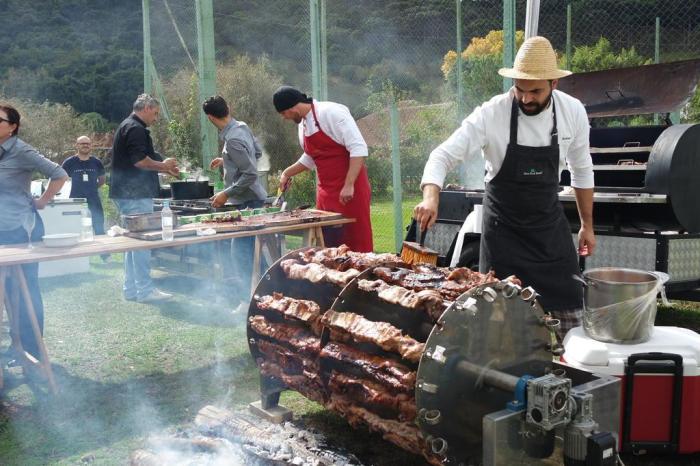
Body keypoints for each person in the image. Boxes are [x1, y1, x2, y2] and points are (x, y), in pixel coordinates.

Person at [414, 36, 595, 337]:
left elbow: (582, 169)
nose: (525, 99)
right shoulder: (492, 113)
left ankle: (573, 378)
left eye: (535, 91)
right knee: (501, 331)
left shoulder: (572, 112)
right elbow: (441, 155)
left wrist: (587, 224)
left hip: (548, 231)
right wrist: (431, 198)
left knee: (573, 320)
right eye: (519, 90)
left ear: (554, 84)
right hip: (504, 235)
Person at [0, 103, 68, 359]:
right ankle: (14, 344)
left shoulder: (21, 149)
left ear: (13, 127)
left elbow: (59, 174)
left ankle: (31, 347)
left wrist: (43, 201)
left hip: (20, 229)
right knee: (5, 292)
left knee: (26, 289)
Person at [273, 86, 373, 252]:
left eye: (284, 113)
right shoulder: (302, 125)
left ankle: (363, 276)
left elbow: (358, 148)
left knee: (355, 241)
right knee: (328, 244)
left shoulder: (331, 113)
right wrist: (286, 173)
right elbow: (311, 157)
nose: (284, 118)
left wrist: (349, 185)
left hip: (350, 191)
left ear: (292, 107)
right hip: (326, 193)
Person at [109, 94, 179, 303]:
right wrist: (163, 166)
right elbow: (140, 161)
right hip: (134, 194)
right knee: (142, 242)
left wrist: (164, 166)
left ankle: (132, 289)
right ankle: (145, 290)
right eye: (156, 113)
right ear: (147, 108)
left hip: (127, 193)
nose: (156, 118)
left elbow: (144, 156)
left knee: (133, 242)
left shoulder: (128, 126)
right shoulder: (135, 128)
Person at [202, 95, 268, 297]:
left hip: (247, 201)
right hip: (254, 199)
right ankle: (265, 293)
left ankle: (247, 300)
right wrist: (228, 161)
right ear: (228, 108)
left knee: (239, 254)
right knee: (254, 252)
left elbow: (250, 174)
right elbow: (256, 154)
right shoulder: (242, 127)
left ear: (210, 117)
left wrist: (225, 193)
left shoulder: (232, 140)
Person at [62, 135, 110, 261]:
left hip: (93, 199)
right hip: (75, 200)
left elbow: (102, 180)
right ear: (76, 145)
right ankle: (77, 258)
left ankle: (104, 256)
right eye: (82, 143)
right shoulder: (69, 162)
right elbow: (61, 178)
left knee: (98, 226)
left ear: (91, 146)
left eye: (88, 143)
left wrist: (91, 188)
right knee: (75, 227)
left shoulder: (96, 162)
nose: (85, 145)